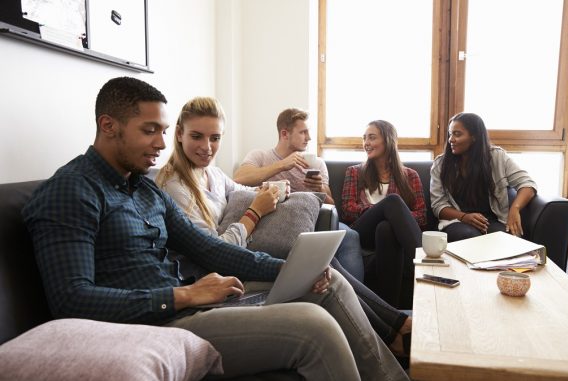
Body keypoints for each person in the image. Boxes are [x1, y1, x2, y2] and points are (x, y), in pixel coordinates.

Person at [21, 77, 408, 380]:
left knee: (329, 283)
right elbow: (71, 301)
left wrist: (290, 270)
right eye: (149, 130)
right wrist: (182, 296)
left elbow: (211, 250)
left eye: (163, 130)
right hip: (159, 322)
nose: (160, 143)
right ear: (108, 126)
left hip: (190, 304)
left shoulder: (142, 190)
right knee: (314, 326)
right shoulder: (71, 192)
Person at [157, 96, 412, 358]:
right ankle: (395, 333)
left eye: (215, 138)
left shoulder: (212, 174)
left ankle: (396, 327)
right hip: (219, 278)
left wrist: (273, 191)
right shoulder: (176, 187)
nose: (207, 147)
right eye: (197, 136)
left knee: (327, 267)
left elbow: (245, 190)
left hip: (240, 260)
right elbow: (214, 253)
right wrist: (255, 211)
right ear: (179, 134)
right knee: (326, 278)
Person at [234, 108, 365, 281]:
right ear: (284, 133)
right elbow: (239, 178)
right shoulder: (260, 156)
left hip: (314, 221)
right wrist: (282, 165)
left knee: (349, 235)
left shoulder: (316, 163)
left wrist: (320, 189)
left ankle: (351, 299)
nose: (309, 138)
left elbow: (331, 206)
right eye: (303, 132)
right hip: (273, 222)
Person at [341, 120, 426, 309]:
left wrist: (391, 218)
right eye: (364, 138)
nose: (366, 143)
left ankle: (392, 317)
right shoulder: (354, 172)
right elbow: (347, 210)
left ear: (388, 141)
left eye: (372, 137)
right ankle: (427, 264)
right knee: (393, 202)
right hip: (362, 232)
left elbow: (421, 216)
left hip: (388, 236)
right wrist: (381, 211)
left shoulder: (410, 176)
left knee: (386, 228)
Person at [430, 112, 537, 242]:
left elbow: (527, 184)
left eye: (457, 134)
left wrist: (515, 208)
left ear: (474, 137)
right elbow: (438, 206)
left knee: (505, 240)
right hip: (457, 221)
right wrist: (464, 217)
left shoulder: (497, 157)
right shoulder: (440, 164)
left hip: (492, 221)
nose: (451, 139)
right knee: (469, 237)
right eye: (450, 134)